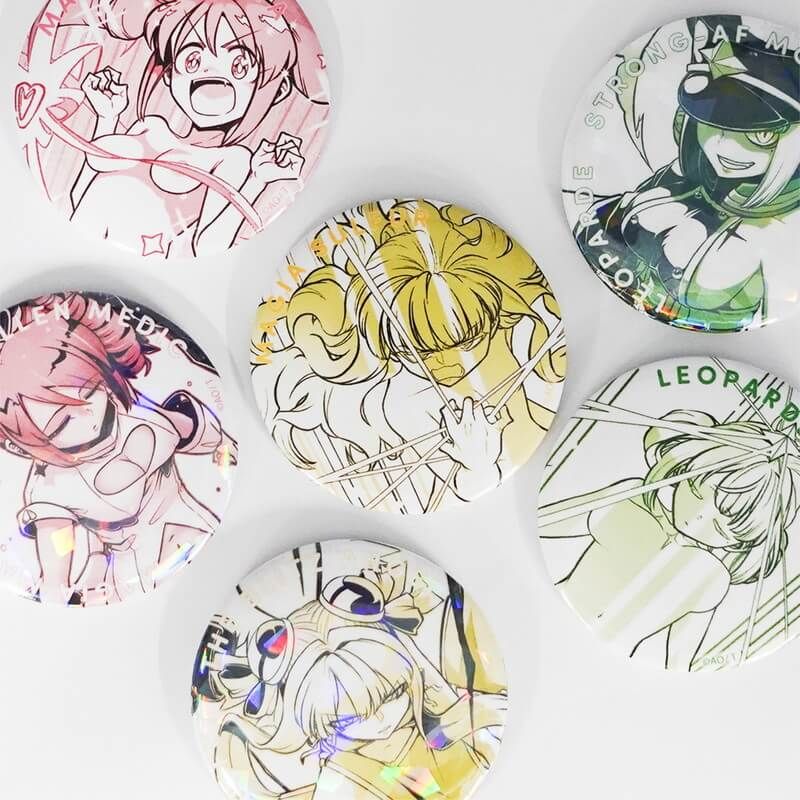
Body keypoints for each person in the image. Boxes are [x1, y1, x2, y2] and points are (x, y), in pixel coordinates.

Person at [0, 293, 237, 605]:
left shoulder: (136, 413)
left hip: (197, 526)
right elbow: (56, 542)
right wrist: (63, 581)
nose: (86, 413)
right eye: (62, 421)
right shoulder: (52, 485)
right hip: (136, 569)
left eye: (90, 391)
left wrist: (218, 445)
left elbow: (197, 430)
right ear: (25, 442)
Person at [576, 15, 800, 330]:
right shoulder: (689, 178)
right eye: (713, 123)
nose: (726, 147)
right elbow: (591, 230)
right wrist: (623, 213)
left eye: (760, 135)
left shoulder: (777, 232)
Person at [540, 410, 799, 669]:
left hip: (611, 664)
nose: (700, 517)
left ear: (742, 541)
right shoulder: (630, 499)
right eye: (697, 492)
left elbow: (682, 657)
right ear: (684, 470)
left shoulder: (711, 576)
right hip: (547, 606)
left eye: (721, 527)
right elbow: (548, 520)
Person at [68, 0, 321, 256]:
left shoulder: (230, 159)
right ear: (169, 73)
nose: (211, 71)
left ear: (277, 90)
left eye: (239, 66)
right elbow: (80, 195)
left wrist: (257, 181)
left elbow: (207, 242)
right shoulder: (150, 126)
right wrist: (107, 116)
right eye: (192, 60)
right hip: (80, 247)